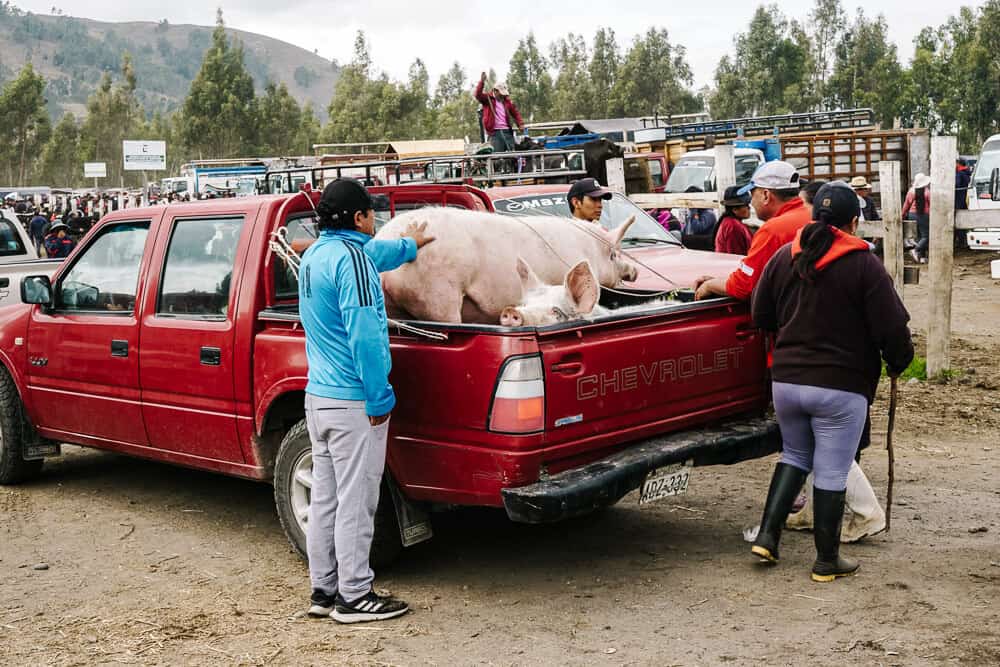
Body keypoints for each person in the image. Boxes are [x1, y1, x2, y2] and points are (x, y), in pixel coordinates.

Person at [750, 181, 913, 582]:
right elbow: (892, 329)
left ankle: (768, 537)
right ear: (854, 222)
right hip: (840, 386)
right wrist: (898, 362)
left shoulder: (785, 257)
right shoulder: (863, 264)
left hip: (786, 381)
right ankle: (826, 560)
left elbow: (760, 315)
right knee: (832, 469)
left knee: (794, 455)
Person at [299, 178, 434, 624]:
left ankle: (324, 590)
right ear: (358, 218)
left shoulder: (316, 255)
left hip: (318, 398)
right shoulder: (352, 261)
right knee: (358, 502)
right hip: (354, 400)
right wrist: (380, 397)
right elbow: (367, 337)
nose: (374, 219)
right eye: (370, 213)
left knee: (327, 499)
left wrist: (408, 248)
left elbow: (372, 255)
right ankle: (355, 597)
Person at [693, 161, 809, 301]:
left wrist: (709, 286)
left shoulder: (772, 231)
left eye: (752, 195)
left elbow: (745, 286)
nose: (751, 203)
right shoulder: (813, 216)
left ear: (766, 195)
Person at [474, 73, 524, 154]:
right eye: (501, 94)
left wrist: (520, 124)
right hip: (494, 133)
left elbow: (515, 113)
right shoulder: (488, 99)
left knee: (512, 156)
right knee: (496, 158)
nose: (503, 96)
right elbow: (478, 95)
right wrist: (482, 82)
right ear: (495, 91)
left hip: (507, 132)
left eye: (504, 95)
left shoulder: (507, 102)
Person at [714, 185, 753, 255]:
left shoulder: (729, 222)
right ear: (735, 210)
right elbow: (736, 256)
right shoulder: (733, 227)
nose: (749, 207)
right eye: (746, 205)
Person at [902, 173, 931, 263]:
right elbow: (931, 204)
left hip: (912, 214)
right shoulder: (927, 192)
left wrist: (902, 214)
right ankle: (916, 250)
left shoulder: (911, 191)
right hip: (924, 215)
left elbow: (907, 204)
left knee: (919, 237)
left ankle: (921, 257)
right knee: (926, 236)